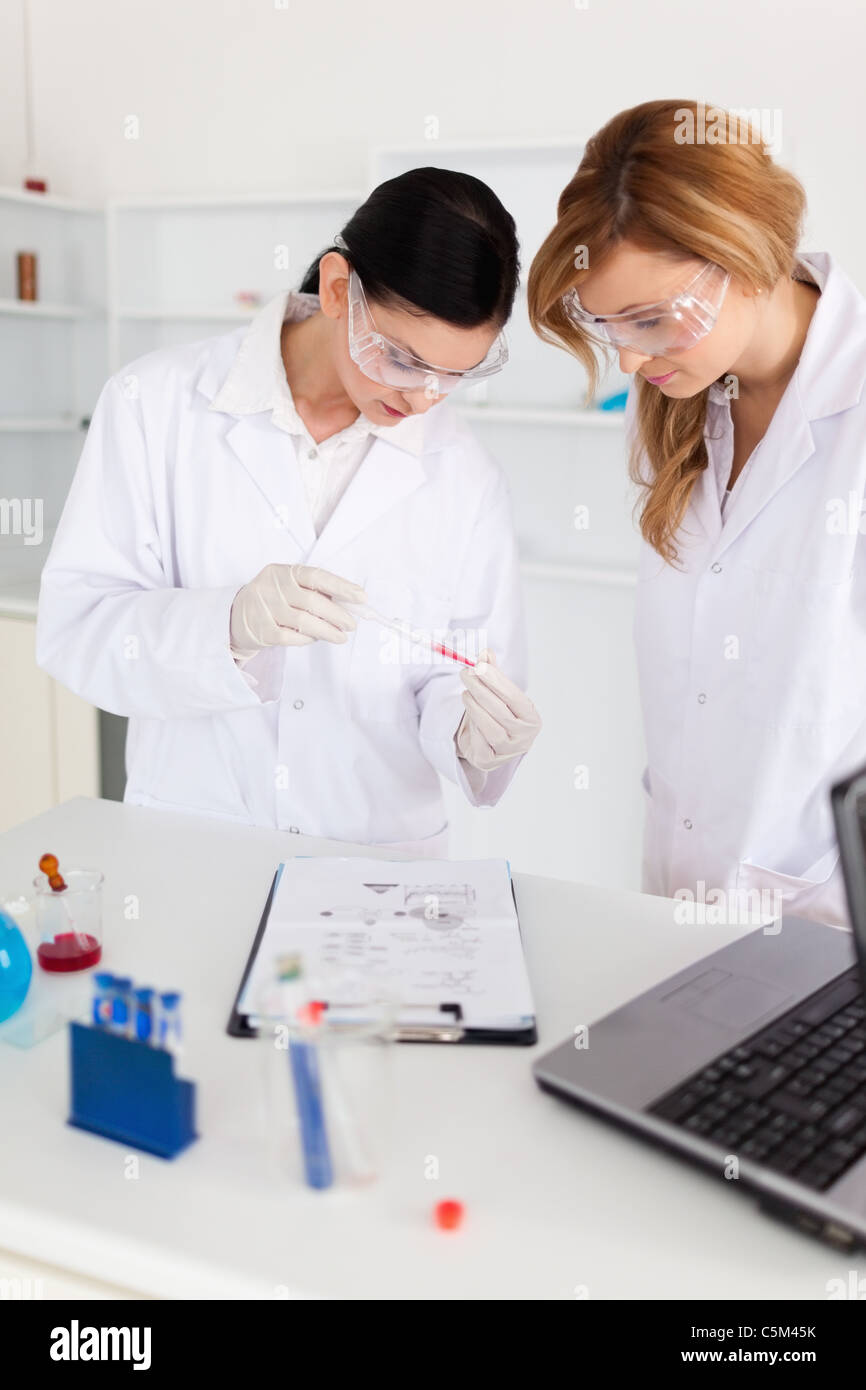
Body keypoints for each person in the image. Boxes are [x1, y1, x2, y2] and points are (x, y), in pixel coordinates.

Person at [37, 168, 541, 853]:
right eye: (401, 358)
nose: (424, 397)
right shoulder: (153, 406)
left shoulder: (465, 476)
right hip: (196, 843)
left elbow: (457, 676)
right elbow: (80, 629)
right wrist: (227, 626)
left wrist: (475, 734)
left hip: (378, 864)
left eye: (453, 375)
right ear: (339, 289)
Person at [528, 99, 866, 927]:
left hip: (831, 924)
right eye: (604, 323)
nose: (630, 359)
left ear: (745, 259)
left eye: (649, 319)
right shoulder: (685, 408)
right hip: (681, 903)